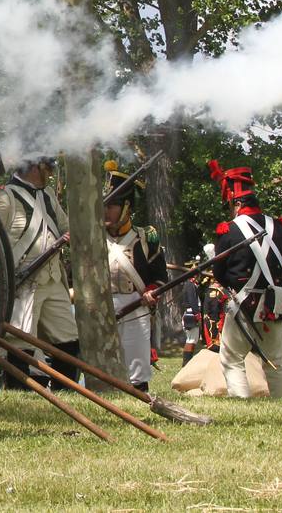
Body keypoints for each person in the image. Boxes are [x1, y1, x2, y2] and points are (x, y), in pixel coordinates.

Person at [209, 160, 282, 399]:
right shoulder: (277, 227)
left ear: (236, 203)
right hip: (274, 303)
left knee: (232, 358)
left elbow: (218, 272)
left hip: (243, 302)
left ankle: (240, 400)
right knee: (277, 362)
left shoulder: (229, 229)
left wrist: (232, 284)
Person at [0, 156, 78, 387]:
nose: (50, 172)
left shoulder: (48, 194)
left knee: (68, 337)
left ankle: (65, 392)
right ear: (35, 166)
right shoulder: (6, 197)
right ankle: (18, 392)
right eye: (47, 166)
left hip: (53, 278)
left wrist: (73, 233)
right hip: (23, 282)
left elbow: (65, 226)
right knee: (20, 340)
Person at [102, 160, 166, 391]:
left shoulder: (146, 237)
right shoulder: (94, 238)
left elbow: (160, 276)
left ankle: (138, 397)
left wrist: (151, 291)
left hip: (135, 306)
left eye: (111, 206)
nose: (105, 211)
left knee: (136, 368)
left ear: (126, 207)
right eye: (103, 206)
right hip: (101, 307)